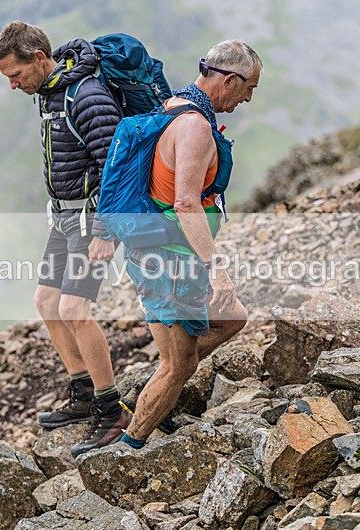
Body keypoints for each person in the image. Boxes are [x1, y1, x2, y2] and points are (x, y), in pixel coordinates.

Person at [0, 21, 124, 457]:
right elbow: (63, 161)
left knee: (73, 309)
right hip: (66, 218)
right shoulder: (50, 93)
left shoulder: (86, 96)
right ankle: (82, 393)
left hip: (91, 221)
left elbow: (114, 165)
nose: (13, 85)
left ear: (39, 59)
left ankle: (110, 409)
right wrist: (56, 214)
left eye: (15, 74)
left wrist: (105, 231)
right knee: (47, 302)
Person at [118, 40, 261, 450]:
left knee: (232, 319)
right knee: (179, 365)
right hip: (170, 261)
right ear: (229, 80)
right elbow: (185, 203)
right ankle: (128, 449)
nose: (248, 98)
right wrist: (217, 268)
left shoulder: (174, 106)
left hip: (163, 254)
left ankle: (155, 387)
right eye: (249, 88)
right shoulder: (195, 127)